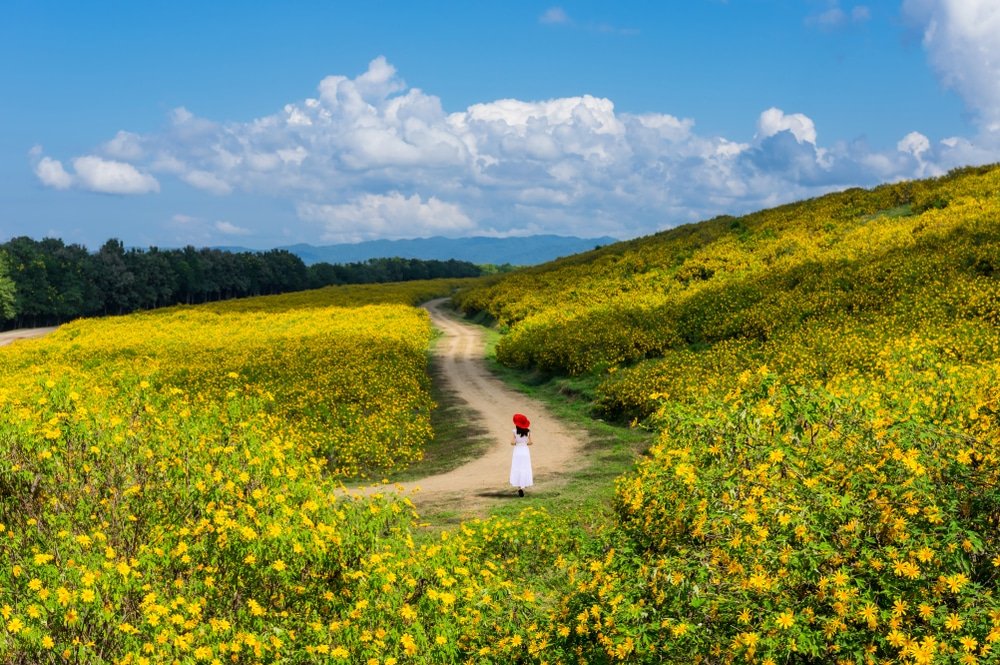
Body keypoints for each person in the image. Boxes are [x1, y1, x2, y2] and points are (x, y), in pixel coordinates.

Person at [509, 413, 534, 497]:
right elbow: (530, 442)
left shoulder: (514, 431)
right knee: (525, 467)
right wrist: (525, 443)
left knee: (517, 467)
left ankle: (519, 487)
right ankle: (523, 484)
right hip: (525, 451)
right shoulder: (528, 431)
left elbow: (512, 442)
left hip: (517, 451)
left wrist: (517, 442)